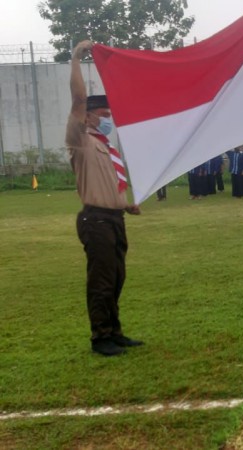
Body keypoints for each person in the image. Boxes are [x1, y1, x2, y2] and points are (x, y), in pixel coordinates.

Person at [66, 40, 143, 356]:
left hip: (114, 218)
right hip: (95, 220)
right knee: (101, 280)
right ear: (90, 116)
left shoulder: (107, 149)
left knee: (116, 277)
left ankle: (114, 330)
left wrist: (126, 204)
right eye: (104, 113)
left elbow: (108, 185)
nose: (109, 118)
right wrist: (75, 58)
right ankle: (101, 338)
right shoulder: (80, 140)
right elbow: (78, 100)